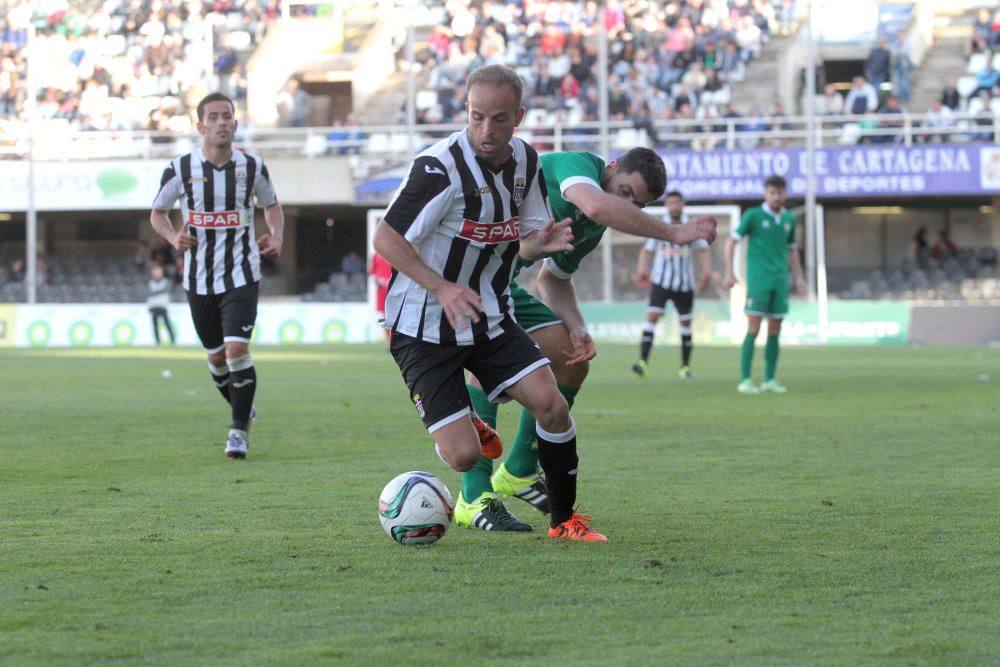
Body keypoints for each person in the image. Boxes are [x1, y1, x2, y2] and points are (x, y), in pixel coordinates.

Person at [371, 65, 605, 542]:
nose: (486, 130)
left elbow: (523, 241)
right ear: (466, 111)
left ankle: (565, 522)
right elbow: (386, 237)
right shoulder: (439, 168)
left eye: (499, 119)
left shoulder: (527, 163)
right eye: (477, 117)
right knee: (463, 457)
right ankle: (467, 424)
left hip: (489, 317)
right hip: (422, 326)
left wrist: (545, 242)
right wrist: (441, 287)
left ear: (518, 117)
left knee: (553, 406)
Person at [456, 149, 717, 533]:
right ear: (611, 168)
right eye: (624, 191)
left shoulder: (594, 227)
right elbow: (596, 205)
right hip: (464, 273)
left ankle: (520, 470)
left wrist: (576, 325)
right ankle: (473, 495)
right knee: (490, 357)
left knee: (571, 357)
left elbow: (553, 279)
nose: (625, 204)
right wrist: (674, 232)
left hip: (500, 285)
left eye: (637, 203)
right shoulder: (577, 166)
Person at [150, 92, 284, 459]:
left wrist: (277, 235)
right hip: (198, 279)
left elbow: (272, 205)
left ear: (235, 124)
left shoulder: (252, 167)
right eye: (214, 117)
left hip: (242, 273)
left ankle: (238, 430)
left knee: (237, 350)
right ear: (200, 126)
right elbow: (158, 213)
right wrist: (173, 236)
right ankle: (242, 405)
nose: (222, 122)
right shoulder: (180, 169)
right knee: (216, 359)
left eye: (227, 116)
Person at [724, 175, 806, 394]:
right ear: (765, 193)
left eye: (780, 193)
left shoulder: (789, 219)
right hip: (759, 280)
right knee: (753, 326)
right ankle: (745, 379)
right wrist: (730, 272)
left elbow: (792, 250)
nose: (776, 197)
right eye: (772, 192)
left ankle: (769, 379)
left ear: (785, 194)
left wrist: (799, 276)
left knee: (775, 328)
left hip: (780, 280)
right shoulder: (753, 215)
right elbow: (731, 240)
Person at [632, 190, 712, 380]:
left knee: (685, 324)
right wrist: (642, 270)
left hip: (684, 283)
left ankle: (685, 367)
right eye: (671, 203)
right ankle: (642, 362)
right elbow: (647, 250)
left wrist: (707, 272)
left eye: (677, 202)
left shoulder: (692, 225)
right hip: (661, 281)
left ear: (682, 203)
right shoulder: (658, 224)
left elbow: (703, 250)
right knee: (651, 317)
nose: (674, 206)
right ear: (666, 205)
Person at [147, 263, 176, 345]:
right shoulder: (150, 282)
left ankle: (172, 340)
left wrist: (155, 292)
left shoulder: (166, 281)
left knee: (167, 324)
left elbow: (165, 290)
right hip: (154, 306)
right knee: (155, 325)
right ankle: (157, 341)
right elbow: (148, 294)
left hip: (162, 306)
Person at [369, 250, 392, 345]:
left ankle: (397, 341)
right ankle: (389, 342)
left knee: (395, 317)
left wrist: (389, 280)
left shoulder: (394, 253)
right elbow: (372, 273)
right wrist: (379, 280)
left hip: (394, 291)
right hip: (382, 292)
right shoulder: (376, 256)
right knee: (385, 318)